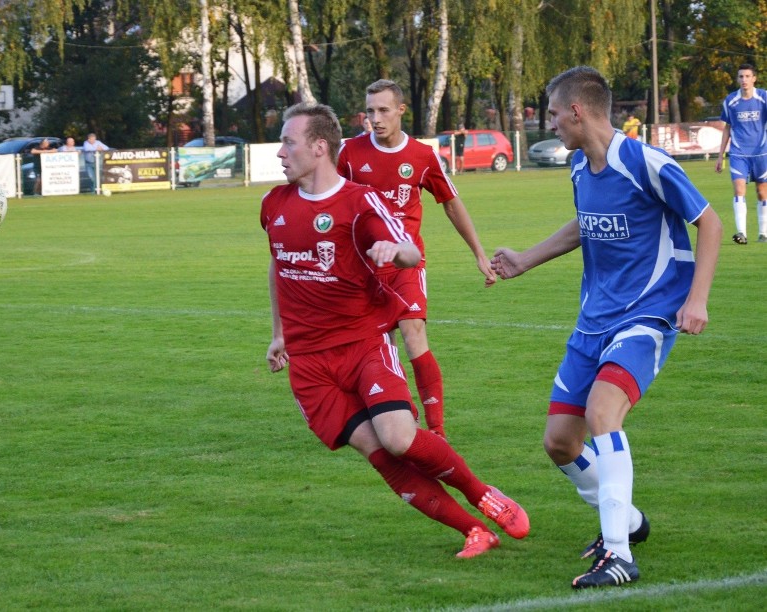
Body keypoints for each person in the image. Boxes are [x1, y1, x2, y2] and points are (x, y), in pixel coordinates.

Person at [263, 102, 529, 559]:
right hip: (309, 364)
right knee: (379, 453)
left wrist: (393, 251)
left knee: (399, 437)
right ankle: (474, 531)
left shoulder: (358, 201)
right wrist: (278, 332)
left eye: (289, 142)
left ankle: (481, 491)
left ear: (319, 147)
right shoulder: (274, 205)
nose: (280, 153)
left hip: (363, 344)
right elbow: (278, 266)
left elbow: (408, 251)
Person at [491, 66, 722, 589]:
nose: (549, 124)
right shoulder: (578, 169)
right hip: (593, 318)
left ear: (577, 111)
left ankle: (618, 555)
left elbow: (709, 222)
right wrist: (526, 260)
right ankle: (629, 523)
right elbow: (582, 225)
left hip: (648, 313)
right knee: (559, 444)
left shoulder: (646, 162)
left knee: (602, 413)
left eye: (552, 113)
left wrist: (697, 300)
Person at [337, 79, 497, 439]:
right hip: (365, 268)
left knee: (413, 332)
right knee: (382, 346)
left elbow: (452, 204)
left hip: (408, 264)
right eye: (370, 111)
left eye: (383, 110)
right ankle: (402, 411)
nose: (375, 119)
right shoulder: (349, 154)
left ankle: (437, 430)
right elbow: (334, 202)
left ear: (400, 111)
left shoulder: (422, 156)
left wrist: (479, 254)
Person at [714, 63, 767, 244]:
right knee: (739, 189)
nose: (744, 80)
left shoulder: (764, 98)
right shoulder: (730, 101)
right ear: (738, 79)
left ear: (754, 78)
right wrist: (720, 155)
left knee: (762, 193)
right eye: (741, 77)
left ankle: (763, 233)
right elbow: (727, 128)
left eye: (747, 76)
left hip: (761, 153)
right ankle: (741, 233)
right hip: (738, 154)